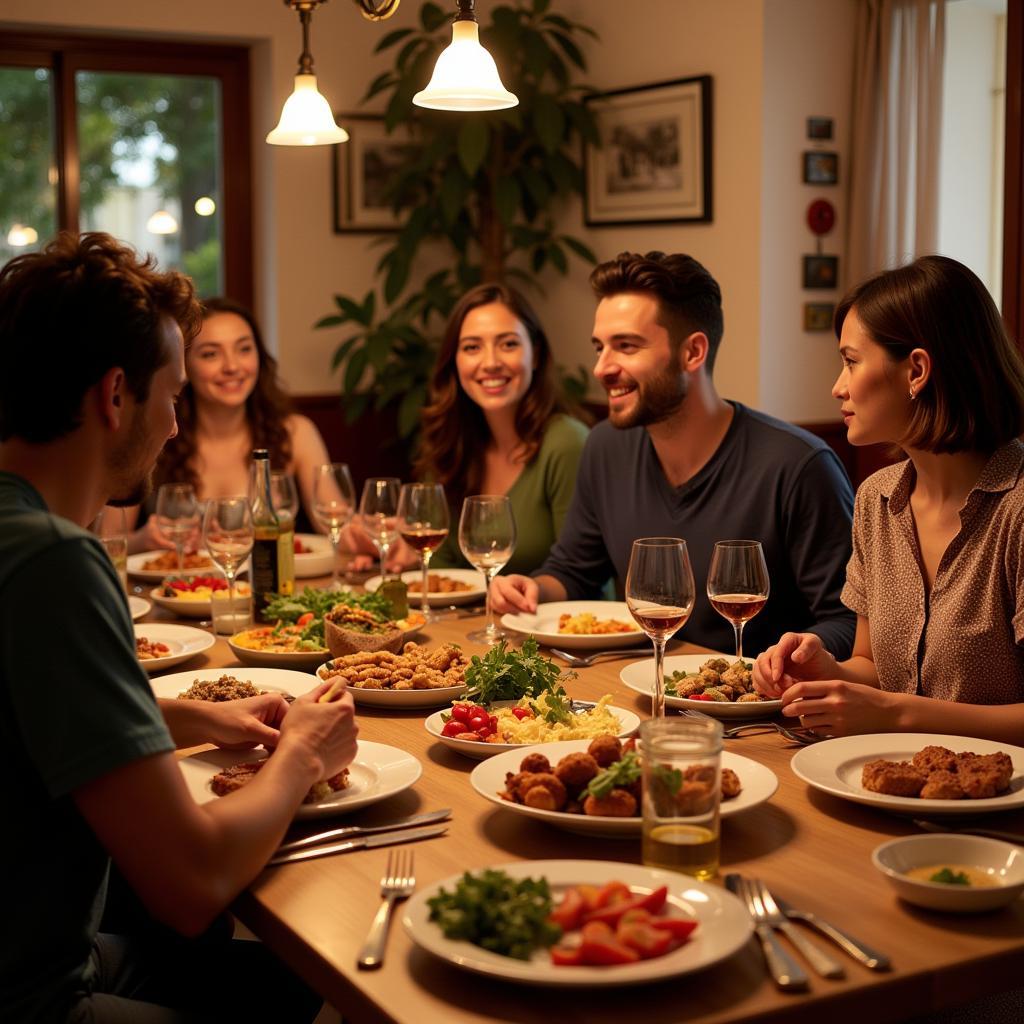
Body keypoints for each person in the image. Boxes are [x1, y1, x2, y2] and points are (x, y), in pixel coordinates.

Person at [0, 232, 357, 1022]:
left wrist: (184, 715)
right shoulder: (55, 561)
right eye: (171, 393)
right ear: (115, 394)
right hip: (34, 995)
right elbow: (192, 884)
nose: (172, 425)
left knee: (300, 981)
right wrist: (300, 754)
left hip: (46, 950)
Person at [490, 250, 857, 657]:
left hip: (758, 710)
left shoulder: (798, 466)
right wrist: (533, 588)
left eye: (626, 346)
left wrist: (796, 654)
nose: (601, 368)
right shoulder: (605, 447)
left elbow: (848, 622)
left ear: (693, 353)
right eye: (600, 348)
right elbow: (575, 571)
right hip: (638, 689)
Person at [754, 255, 1024, 743]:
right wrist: (824, 670)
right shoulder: (877, 499)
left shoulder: (1018, 510)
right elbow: (874, 668)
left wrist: (894, 715)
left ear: (916, 370)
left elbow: (890, 705)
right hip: (890, 783)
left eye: (851, 361)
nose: (838, 386)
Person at [357, 283, 589, 576]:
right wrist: (395, 554)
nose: (490, 363)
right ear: (454, 362)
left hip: (556, 620)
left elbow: (581, 575)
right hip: (467, 621)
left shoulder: (567, 443)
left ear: (537, 354)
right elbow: (442, 569)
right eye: (472, 347)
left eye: (508, 344)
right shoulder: (449, 442)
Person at [128, 296, 332, 551]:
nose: (232, 366)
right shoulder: (155, 434)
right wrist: (141, 541)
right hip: (176, 589)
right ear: (184, 364)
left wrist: (371, 535)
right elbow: (107, 542)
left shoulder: (296, 431)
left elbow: (336, 526)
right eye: (211, 354)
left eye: (244, 349)